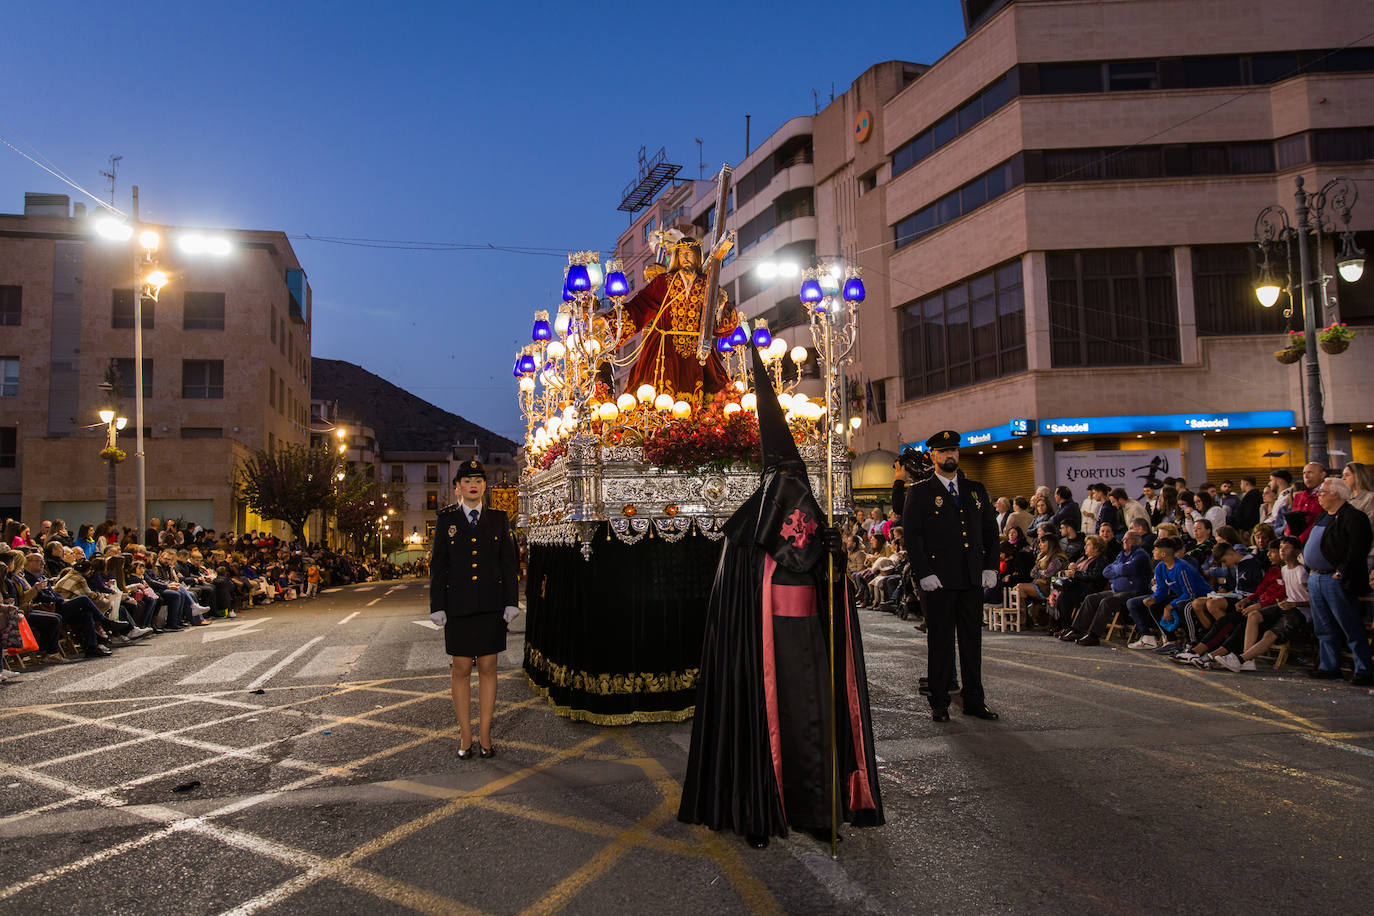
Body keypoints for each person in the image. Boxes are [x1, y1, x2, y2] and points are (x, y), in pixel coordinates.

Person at [679, 342, 883, 847]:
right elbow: (737, 601)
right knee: (767, 722)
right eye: (782, 477)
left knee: (812, 722)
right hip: (763, 646)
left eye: (797, 477)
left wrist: (834, 557)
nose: (791, 488)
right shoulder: (747, 529)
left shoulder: (815, 517)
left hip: (810, 643)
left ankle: (817, 808)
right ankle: (758, 809)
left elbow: (837, 593)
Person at [901, 430, 1000, 722]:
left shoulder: (975, 490)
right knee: (941, 643)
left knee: (972, 642)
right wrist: (924, 573)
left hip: (971, 578)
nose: (950, 456)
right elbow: (913, 537)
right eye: (943, 452)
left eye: (954, 451)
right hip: (940, 581)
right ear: (932, 456)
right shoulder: (919, 492)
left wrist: (990, 566)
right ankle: (940, 700)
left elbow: (989, 532)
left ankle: (974, 700)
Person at [429, 460, 520, 759]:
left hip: (491, 604)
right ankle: (465, 735)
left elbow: (508, 563)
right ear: (457, 487)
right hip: (458, 606)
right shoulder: (446, 520)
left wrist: (510, 601)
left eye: (479, 480)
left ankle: (485, 735)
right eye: (467, 480)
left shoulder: (498, 518)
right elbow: (438, 567)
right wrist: (437, 606)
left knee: (488, 667)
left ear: (484, 487)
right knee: (461, 668)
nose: (473, 484)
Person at [617, 234, 741, 402]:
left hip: (699, 351)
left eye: (690, 253)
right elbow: (639, 307)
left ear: (698, 256)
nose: (686, 257)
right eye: (682, 253)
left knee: (715, 400)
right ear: (676, 257)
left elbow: (722, 328)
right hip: (664, 350)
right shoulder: (663, 282)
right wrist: (608, 323)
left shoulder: (708, 285)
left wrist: (720, 306)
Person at [1303, 478, 1373, 685]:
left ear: (1335, 494)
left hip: (1336, 579)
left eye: (1322, 492)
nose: (1319, 496)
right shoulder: (1324, 516)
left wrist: (1341, 572)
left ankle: (1363, 670)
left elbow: (1357, 549)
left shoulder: (1354, 517)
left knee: (1350, 625)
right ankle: (1329, 666)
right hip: (1317, 577)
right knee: (1323, 626)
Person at [1063, 530, 1152, 646]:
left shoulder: (1141, 555)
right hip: (1116, 590)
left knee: (1107, 602)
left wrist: (1119, 570)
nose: (1124, 541)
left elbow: (1127, 570)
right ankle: (1077, 630)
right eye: (1123, 539)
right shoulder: (1121, 555)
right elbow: (1106, 572)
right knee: (1091, 598)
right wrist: (1120, 570)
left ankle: (1094, 635)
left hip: (1134, 591)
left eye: (1128, 539)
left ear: (1137, 541)